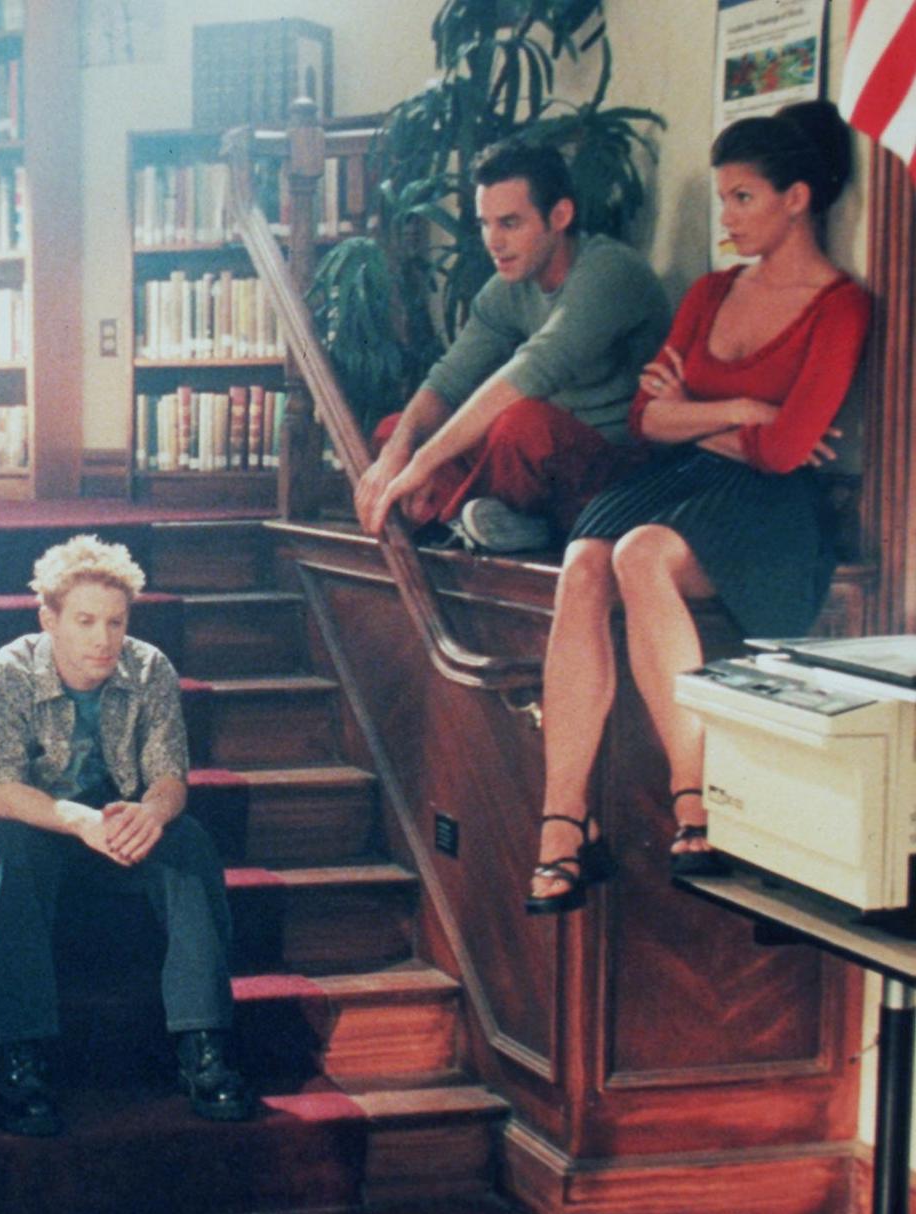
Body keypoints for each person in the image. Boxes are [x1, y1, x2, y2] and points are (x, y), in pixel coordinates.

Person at [527, 100, 868, 914]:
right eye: (722, 199)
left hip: (774, 507)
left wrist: (709, 414)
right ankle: (563, 823)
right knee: (583, 561)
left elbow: (789, 456)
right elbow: (648, 420)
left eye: (743, 197)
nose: (727, 218)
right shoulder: (712, 292)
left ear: (798, 198)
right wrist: (745, 413)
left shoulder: (841, 305)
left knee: (640, 552)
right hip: (676, 479)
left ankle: (695, 801)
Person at [0, 535, 251, 1135]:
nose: (103, 638)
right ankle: (21, 1057)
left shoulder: (149, 669)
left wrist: (153, 812)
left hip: (116, 822)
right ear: (50, 619)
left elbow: (170, 775)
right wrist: (78, 821)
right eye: (86, 621)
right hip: (37, 823)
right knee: (13, 853)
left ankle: (203, 1046)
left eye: (115, 622)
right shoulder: (6, 673)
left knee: (188, 842)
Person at [356, 139, 674, 552]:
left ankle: (450, 517)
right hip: (534, 472)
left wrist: (422, 466)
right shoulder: (506, 288)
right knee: (396, 428)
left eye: (510, 223)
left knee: (521, 424)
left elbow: (532, 371)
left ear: (560, 215)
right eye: (485, 224)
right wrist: (398, 453)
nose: (493, 241)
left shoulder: (609, 272)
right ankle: (489, 521)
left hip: (615, 471)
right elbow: (448, 381)